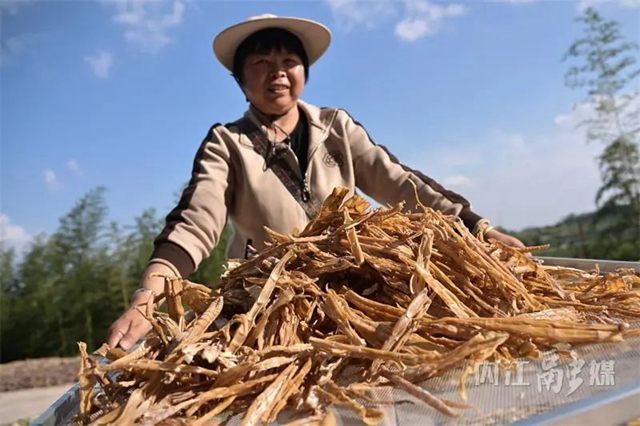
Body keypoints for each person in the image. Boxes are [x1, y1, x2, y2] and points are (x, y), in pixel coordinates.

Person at [107, 14, 525, 350]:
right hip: (267, 307)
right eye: (261, 64)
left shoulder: (336, 126)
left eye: (289, 62)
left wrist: (474, 227)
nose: (279, 73)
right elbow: (195, 222)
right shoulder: (227, 143)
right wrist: (149, 297)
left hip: (354, 294)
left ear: (304, 70)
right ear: (240, 80)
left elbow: (399, 183)